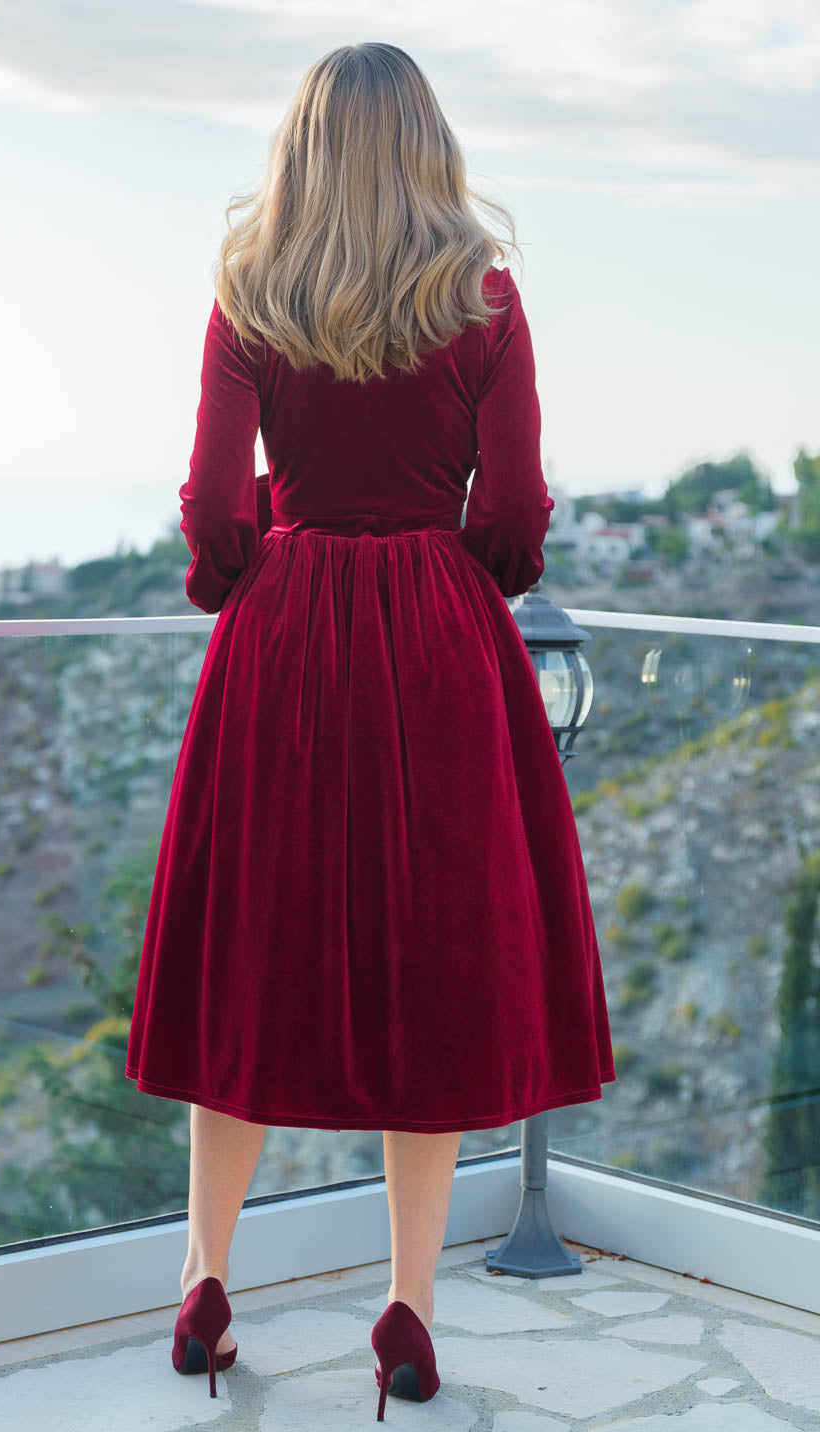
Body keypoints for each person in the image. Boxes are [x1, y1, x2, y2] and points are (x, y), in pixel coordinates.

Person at [124, 41, 616, 1419]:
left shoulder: (250, 298)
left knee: (247, 960)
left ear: (298, 153)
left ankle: (206, 1280)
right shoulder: (485, 301)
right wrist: (458, 582)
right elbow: (515, 516)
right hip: (441, 651)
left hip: (281, 645)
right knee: (437, 961)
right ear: (428, 150)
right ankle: (406, 1306)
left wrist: (253, 578)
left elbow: (218, 516)